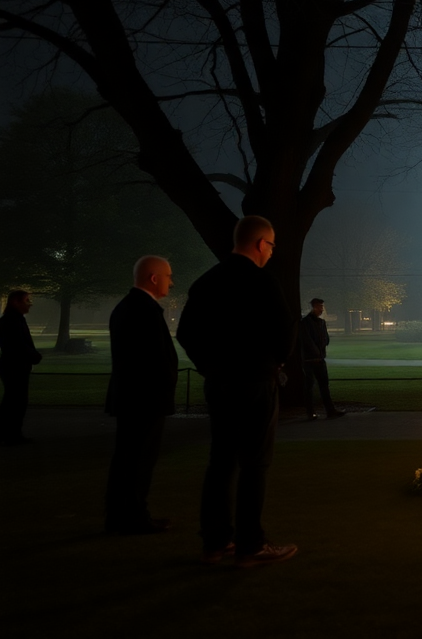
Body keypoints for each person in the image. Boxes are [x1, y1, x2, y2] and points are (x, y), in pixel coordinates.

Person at [176, 216, 297, 566]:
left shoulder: (206, 282)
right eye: (271, 245)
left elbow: (186, 333)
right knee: (255, 463)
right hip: (256, 382)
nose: (272, 253)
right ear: (261, 243)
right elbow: (285, 331)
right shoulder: (263, 281)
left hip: (221, 382)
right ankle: (250, 544)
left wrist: (209, 365)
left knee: (221, 462)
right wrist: (272, 363)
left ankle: (215, 542)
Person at [103, 256, 178, 534]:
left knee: (128, 459)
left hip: (133, 397)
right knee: (139, 460)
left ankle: (121, 515)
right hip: (145, 399)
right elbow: (153, 358)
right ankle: (133, 516)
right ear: (154, 278)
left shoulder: (128, 307)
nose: (171, 281)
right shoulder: (144, 309)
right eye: (168, 275)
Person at [0, 290, 41, 447]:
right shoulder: (12, 321)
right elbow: (17, 345)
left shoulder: (12, 320)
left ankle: (7, 433)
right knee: (15, 401)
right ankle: (10, 434)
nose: (29, 304)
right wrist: (34, 355)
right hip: (14, 365)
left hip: (13, 365)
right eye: (26, 300)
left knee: (13, 400)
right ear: (16, 302)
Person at [299, 298, 343, 421]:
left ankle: (329, 410)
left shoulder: (320, 322)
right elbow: (308, 341)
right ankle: (312, 412)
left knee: (322, 385)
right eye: (319, 307)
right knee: (310, 386)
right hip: (310, 360)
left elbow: (325, 339)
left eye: (322, 307)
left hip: (318, 358)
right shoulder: (305, 323)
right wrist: (318, 352)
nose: (321, 309)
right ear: (313, 307)